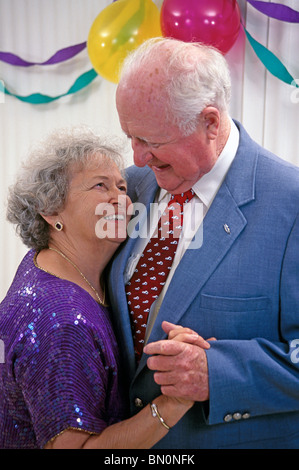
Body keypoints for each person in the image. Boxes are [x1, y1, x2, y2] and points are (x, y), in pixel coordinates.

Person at [109, 37, 299, 449]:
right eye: (130, 137)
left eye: (152, 142)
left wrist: (220, 372)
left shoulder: (292, 203)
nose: (137, 157)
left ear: (210, 122)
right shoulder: (129, 186)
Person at [0, 126, 203, 449]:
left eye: (122, 187)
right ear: (51, 211)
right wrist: (172, 403)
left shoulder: (50, 264)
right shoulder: (60, 321)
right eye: (100, 186)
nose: (121, 199)